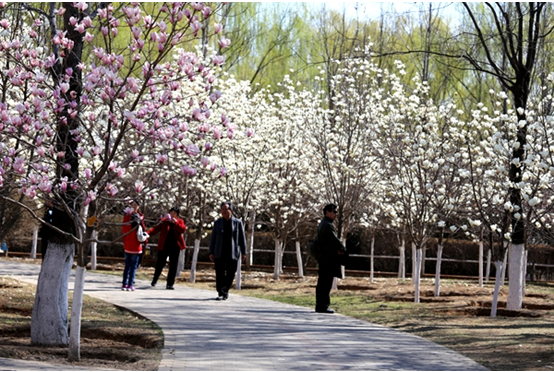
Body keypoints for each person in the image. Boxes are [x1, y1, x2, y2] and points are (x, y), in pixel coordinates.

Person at [209, 202, 247, 301]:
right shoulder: (217, 223)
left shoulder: (237, 223)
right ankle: (221, 293)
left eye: (226, 209)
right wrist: (211, 252)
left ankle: (225, 290)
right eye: (222, 209)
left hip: (232, 252)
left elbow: (242, 239)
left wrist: (244, 252)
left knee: (230, 273)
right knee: (219, 273)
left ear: (231, 210)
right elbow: (213, 238)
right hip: (219, 251)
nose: (224, 211)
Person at [315, 203, 347, 314]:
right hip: (327, 258)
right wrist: (342, 248)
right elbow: (334, 240)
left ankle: (320, 305)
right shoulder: (327, 225)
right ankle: (323, 306)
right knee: (325, 282)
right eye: (334, 211)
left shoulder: (323, 223)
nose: (336, 214)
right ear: (327, 212)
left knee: (322, 282)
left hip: (324, 257)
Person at [147, 207, 186, 290]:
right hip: (164, 245)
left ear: (177, 215)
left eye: (175, 213)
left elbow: (183, 230)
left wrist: (176, 223)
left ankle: (170, 284)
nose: (172, 215)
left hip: (175, 246)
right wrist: (147, 234)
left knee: (173, 265)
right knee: (160, 263)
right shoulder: (164, 221)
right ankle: (155, 280)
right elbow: (155, 229)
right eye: (171, 213)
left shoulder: (180, 221)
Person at [121, 200, 148, 291]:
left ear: (138, 206)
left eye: (135, 205)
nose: (133, 206)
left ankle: (125, 284)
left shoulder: (128, 218)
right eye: (132, 205)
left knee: (128, 266)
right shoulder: (134, 218)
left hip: (129, 245)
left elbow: (124, 231)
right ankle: (129, 284)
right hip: (135, 246)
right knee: (132, 267)